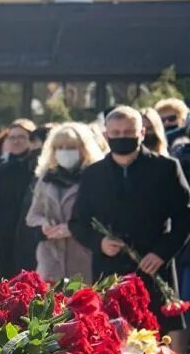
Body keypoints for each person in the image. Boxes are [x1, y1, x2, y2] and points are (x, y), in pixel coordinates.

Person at [70, 105, 190, 332]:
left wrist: (162, 253)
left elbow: (184, 218)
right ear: (106, 135)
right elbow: (78, 222)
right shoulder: (93, 174)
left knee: (156, 341)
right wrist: (100, 243)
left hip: (153, 268)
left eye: (128, 132)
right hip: (110, 270)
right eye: (115, 133)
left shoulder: (166, 168)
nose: (121, 137)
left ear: (142, 133)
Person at [24, 123, 103, 283]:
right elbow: (33, 215)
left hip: (83, 254)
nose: (65, 151)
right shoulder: (46, 178)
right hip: (50, 256)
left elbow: (101, 216)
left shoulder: (95, 177)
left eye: (71, 147)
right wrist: (44, 224)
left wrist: (73, 228)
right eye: (60, 147)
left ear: (83, 148)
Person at [0, 118, 40, 278]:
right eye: (12, 137)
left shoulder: (38, 168)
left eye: (21, 137)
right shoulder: (0, 170)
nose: (16, 141)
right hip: (7, 235)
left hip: (31, 234)